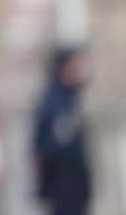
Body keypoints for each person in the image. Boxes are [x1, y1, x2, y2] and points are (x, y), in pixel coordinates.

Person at [33, 46, 92, 215]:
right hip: (61, 187)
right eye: (74, 66)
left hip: (77, 186)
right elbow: (41, 146)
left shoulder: (72, 97)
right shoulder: (52, 101)